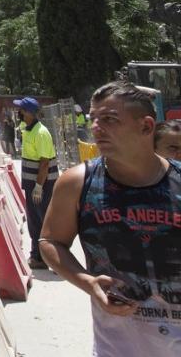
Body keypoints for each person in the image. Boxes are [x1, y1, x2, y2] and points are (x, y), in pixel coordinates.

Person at [40, 82, 181, 356]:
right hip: (118, 348)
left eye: (109, 119)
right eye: (94, 119)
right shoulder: (77, 183)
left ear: (146, 126)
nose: (96, 127)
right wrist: (87, 282)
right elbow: (50, 241)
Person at [15, 96, 56, 269]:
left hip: (42, 184)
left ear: (29, 113)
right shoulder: (29, 128)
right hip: (33, 183)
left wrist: (39, 186)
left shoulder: (41, 133)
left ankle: (44, 258)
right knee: (34, 220)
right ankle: (38, 255)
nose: (19, 113)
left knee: (42, 220)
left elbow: (45, 162)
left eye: (22, 110)